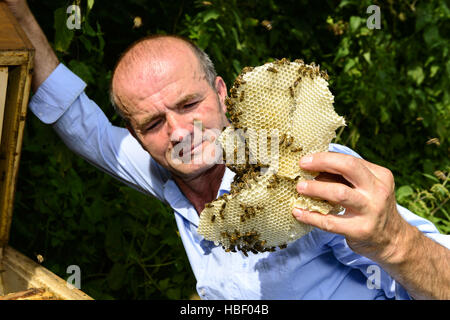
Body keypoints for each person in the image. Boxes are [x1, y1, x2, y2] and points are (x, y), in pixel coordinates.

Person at [4, 0, 450, 300]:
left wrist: (395, 241)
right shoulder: (167, 174)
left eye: (189, 104)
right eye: (154, 123)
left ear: (221, 93)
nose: (180, 133)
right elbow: (81, 124)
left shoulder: (302, 172)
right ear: (138, 136)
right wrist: (17, 12)